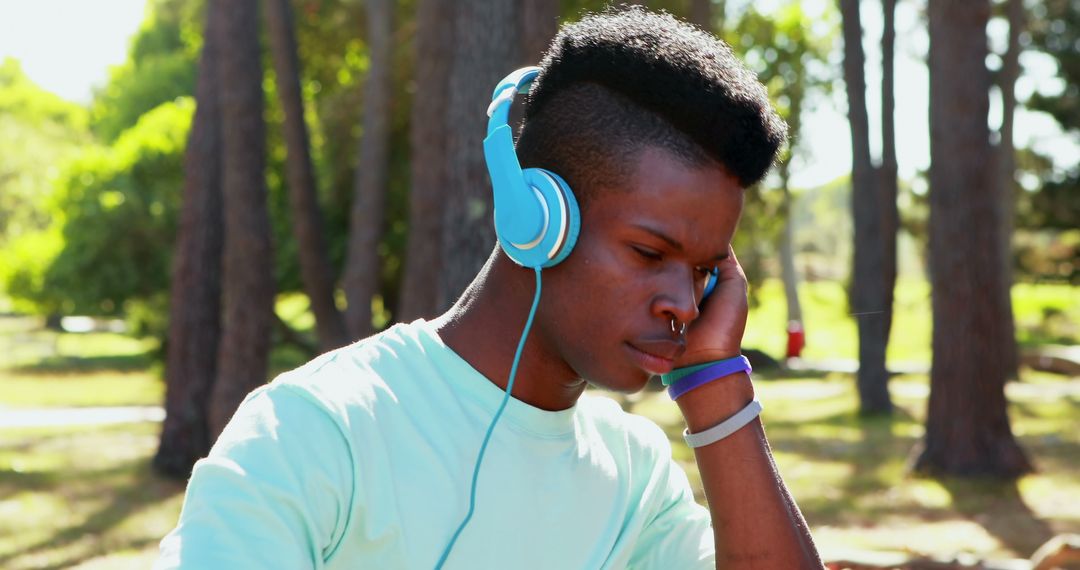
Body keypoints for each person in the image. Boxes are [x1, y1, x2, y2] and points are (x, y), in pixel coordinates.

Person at [156, 6, 822, 569]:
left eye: (706, 269)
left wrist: (716, 386)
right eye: (651, 252)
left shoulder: (637, 476)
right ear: (536, 217)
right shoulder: (317, 432)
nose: (684, 301)